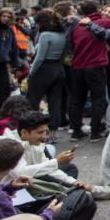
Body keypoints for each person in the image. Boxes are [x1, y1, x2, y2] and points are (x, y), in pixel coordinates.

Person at [68, 1, 110, 142]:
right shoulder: (102, 23)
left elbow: (71, 44)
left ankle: (76, 130)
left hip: (78, 65)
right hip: (96, 65)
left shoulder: (77, 27)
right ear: (98, 9)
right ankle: (95, 131)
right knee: (98, 98)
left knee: (78, 99)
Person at [26, 10, 67, 141]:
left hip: (44, 68)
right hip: (58, 68)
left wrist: (31, 73)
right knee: (55, 101)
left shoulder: (45, 35)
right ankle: (52, 132)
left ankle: (34, 129)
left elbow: (39, 57)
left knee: (33, 99)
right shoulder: (62, 33)